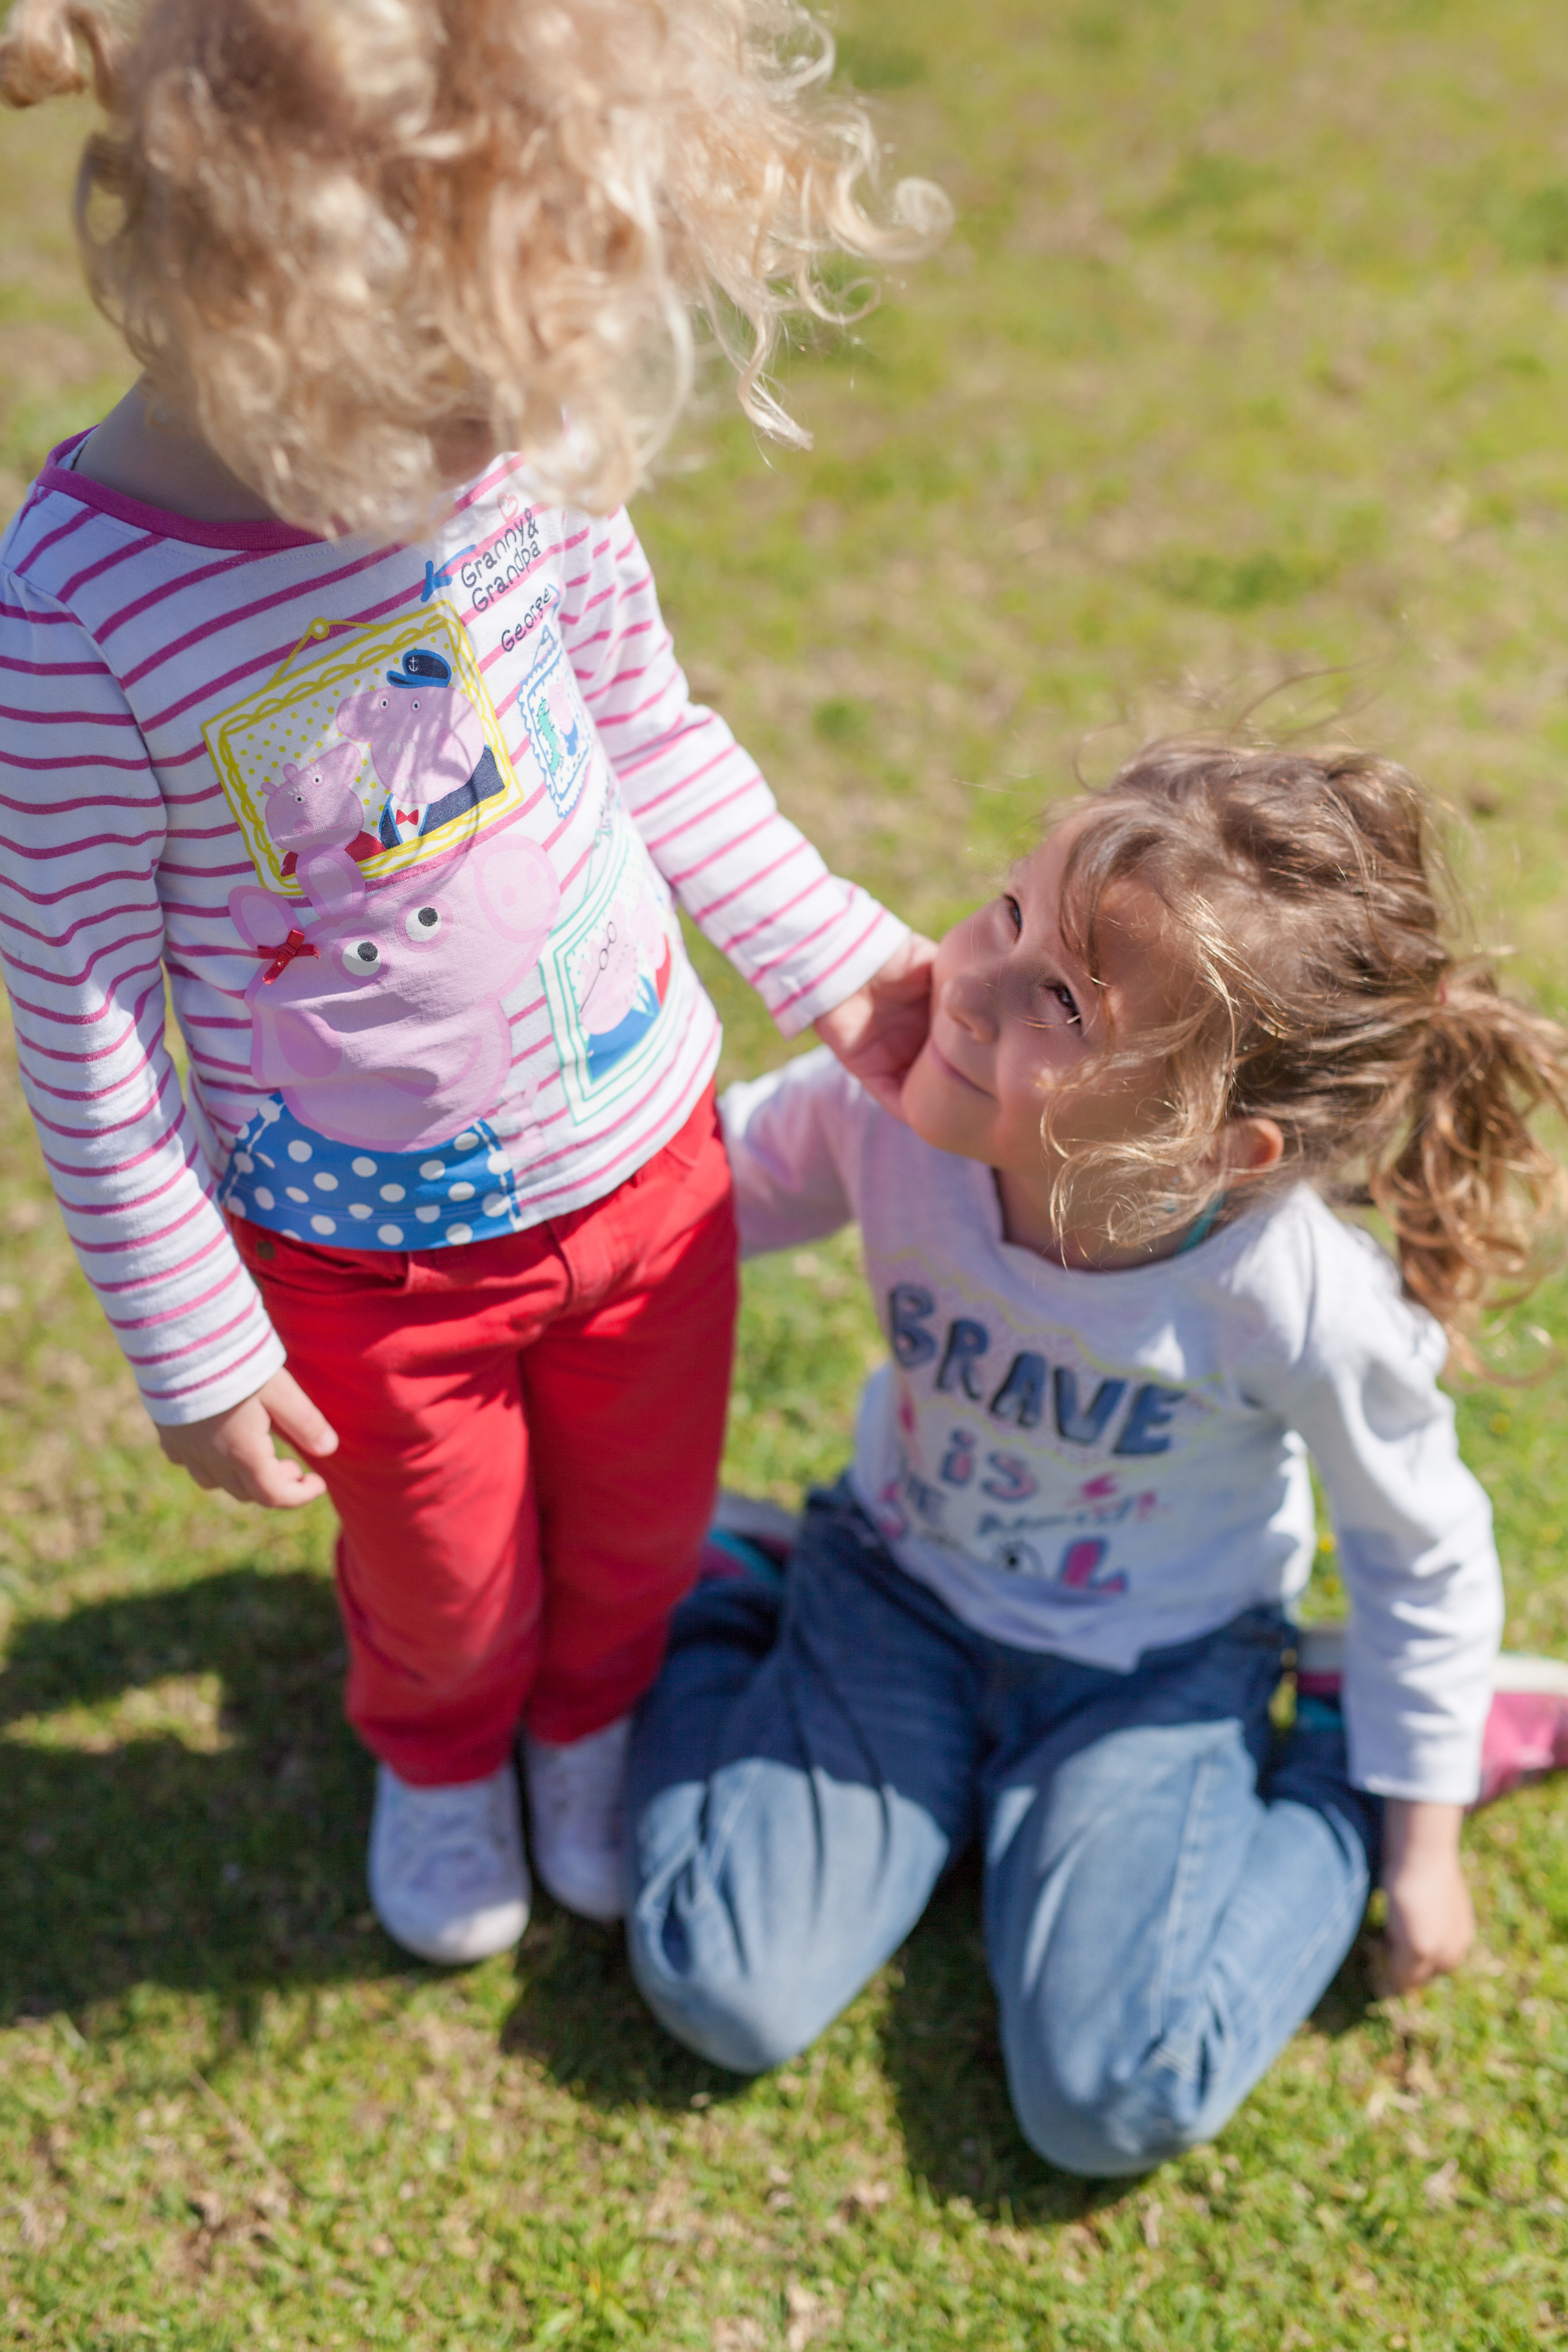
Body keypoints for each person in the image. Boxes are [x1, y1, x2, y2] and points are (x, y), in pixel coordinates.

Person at [0, 0, 947, 1962]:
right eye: (458, 393)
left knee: (640, 1527)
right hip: (367, 1260)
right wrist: (188, 1332)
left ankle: (591, 1724)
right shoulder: (79, 612)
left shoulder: (500, 463)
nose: (502, 437)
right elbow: (83, 1002)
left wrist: (835, 955)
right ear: (248, 301)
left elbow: (654, 731)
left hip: (650, 1160)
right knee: (441, 1578)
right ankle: (440, 1756)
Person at [627, 742, 1568, 2176]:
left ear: (1221, 1146)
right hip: (895, 1589)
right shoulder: (896, 1112)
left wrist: (1415, 1846)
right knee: (717, 1984)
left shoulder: (1295, 1299)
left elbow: (1415, 1549)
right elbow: (692, 1202)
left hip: (1153, 1672)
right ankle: (734, 1587)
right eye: (1004, 913)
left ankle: (1331, 1746)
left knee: (1109, 2100)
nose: (965, 979)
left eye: (1060, 999)